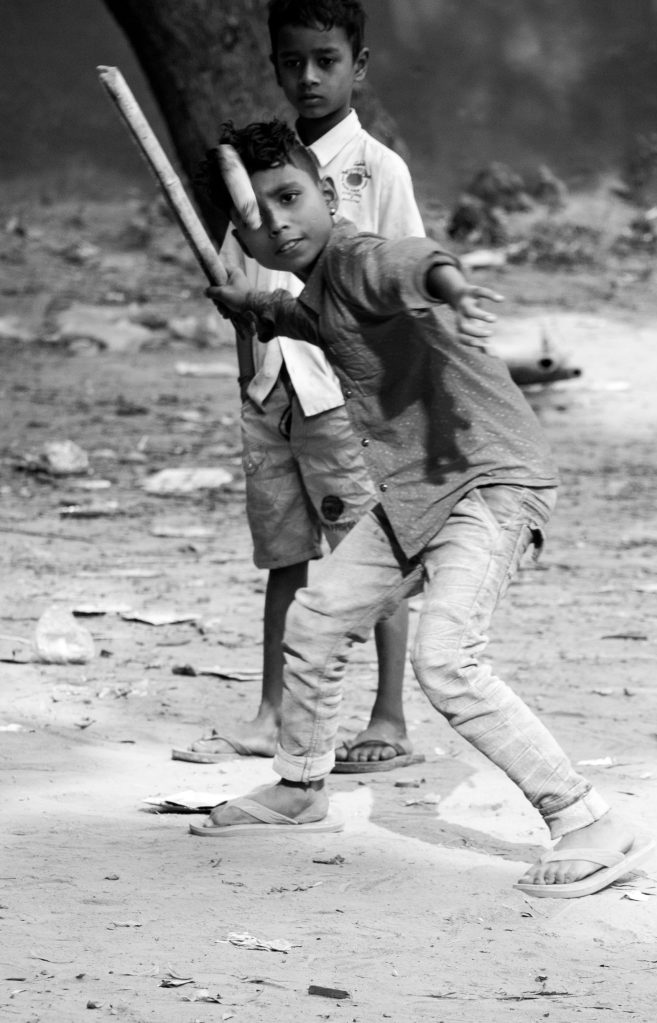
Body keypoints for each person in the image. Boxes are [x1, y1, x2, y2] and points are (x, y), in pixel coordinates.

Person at [189, 120, 655, 900]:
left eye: (290, 197)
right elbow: (306, 320)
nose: (279, 223)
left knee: (446, 658)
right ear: (242, 240)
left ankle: (588, 820)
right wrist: (253, 304)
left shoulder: (357, 260)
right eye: (256, 217)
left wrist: (456, 288)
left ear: (327, 193)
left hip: (487, 482)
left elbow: (411, 262)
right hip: (412, 495)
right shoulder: (318, 290)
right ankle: (299, 786)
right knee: (316, 619)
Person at [173, 0, 425, 771]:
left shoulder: (378, 170)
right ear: (274, 67)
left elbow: (405, 276)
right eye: (293, 62)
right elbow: (238, 277)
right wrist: (240, 336)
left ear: (358, 66)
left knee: (369, 554)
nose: (309, 77)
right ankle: (272, 712)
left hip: (346, 397)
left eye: (326, 60)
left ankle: (388, 717)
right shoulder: (253, 170)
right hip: (271, 394)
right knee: (286, 555)